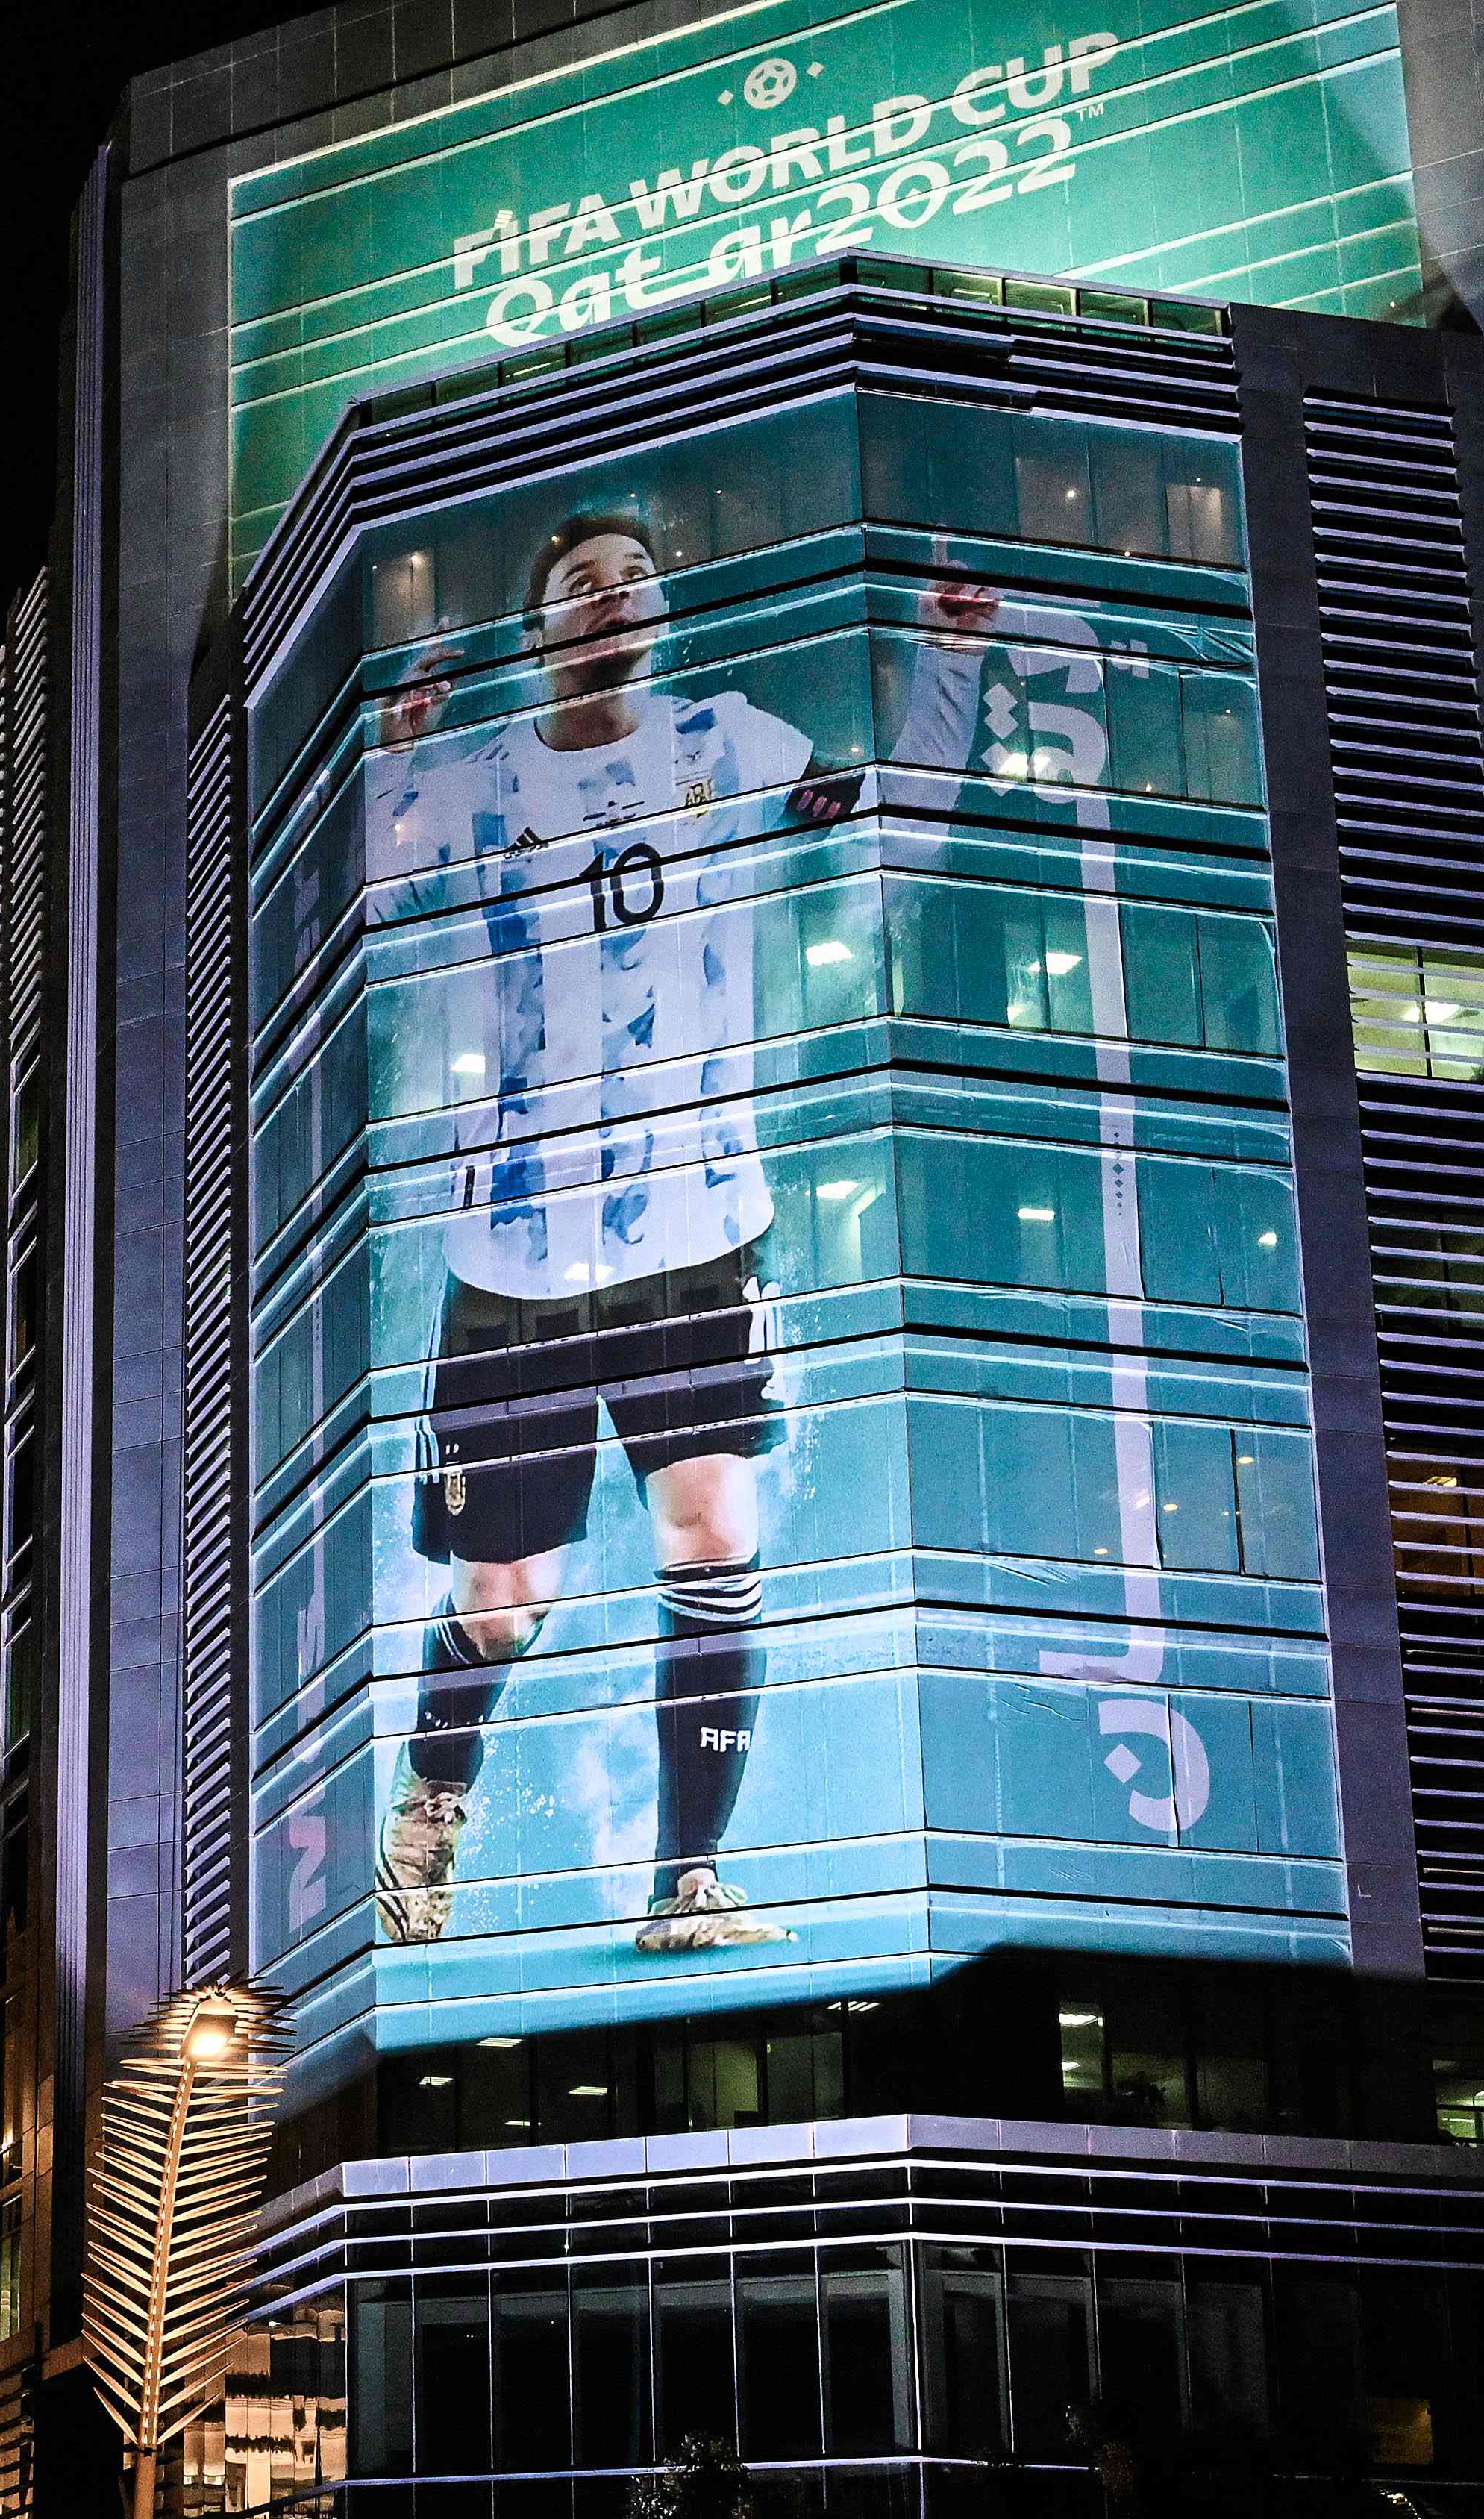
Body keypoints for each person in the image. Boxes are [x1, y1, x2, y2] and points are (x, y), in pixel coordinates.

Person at [364, 504, 996, 1950]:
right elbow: (374, 896)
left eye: (634, 583)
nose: (610, 600)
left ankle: (687, 1879)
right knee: (506, 1594)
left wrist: (945, 671)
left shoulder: (732, 743)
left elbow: (887, 827)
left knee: (713, 1538)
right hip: (513, 1265)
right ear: (542, 635)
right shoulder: (470, 786)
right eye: (579, 585)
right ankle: (426, 1826)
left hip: (700, 1241)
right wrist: (394, 756)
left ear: (658, 619)